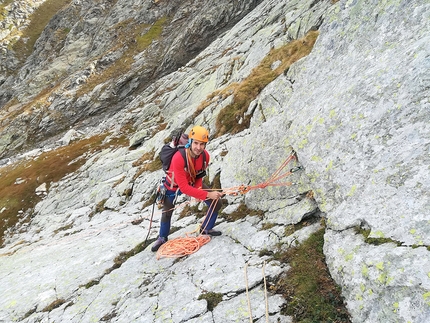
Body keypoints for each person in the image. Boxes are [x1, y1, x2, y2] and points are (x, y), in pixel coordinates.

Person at [151, 126, 224, 252]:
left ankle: (206, 227)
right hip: (173, 183)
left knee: (217, 203)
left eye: (202, 144)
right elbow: (184, 188)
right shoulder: (178, 158)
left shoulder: (205, 156)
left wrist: (199, 191)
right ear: (190, 142)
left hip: (191, 180)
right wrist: (207, 195)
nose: (198, 147)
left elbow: (199, 175)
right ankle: (162, 237)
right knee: (167, 212)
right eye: (196, 143)